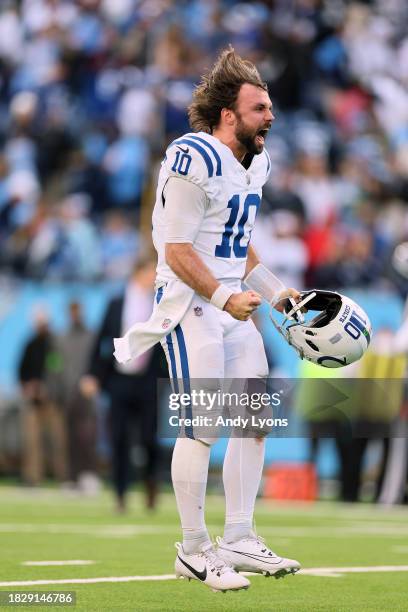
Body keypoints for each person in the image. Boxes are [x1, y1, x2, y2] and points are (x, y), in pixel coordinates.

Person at [114, 48, 301, 592]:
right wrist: (224, 298)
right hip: (189, 303)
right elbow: (175, 251)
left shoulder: (256, 162)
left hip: (226, 300)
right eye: (259, 107)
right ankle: (194, 549)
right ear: (228, 114)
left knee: (255, 419)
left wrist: (274, 292)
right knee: (205, 424)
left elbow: (236, 244)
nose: (270, 116)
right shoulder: (191, 155)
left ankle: (239, 536)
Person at [81, 258, 166, 511]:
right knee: (118, 438)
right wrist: (92, 375)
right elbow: (101, 340)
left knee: (150, 438)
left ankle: (151, 484)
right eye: (152, 271)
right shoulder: (117, 304)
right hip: (119, 380)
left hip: (148, 381)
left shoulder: (160, 305)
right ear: (139, 272)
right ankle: (120, 493)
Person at [18, 307, 68, 486]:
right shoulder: (30, 344)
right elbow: (22, 372)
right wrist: (29, 387)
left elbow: (58, 370)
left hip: (52, 401)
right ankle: (33, 477)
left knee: (58, 441)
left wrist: (48, 388)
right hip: (33, 402)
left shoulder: (55, 344)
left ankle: (63, 477)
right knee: (32, 442)